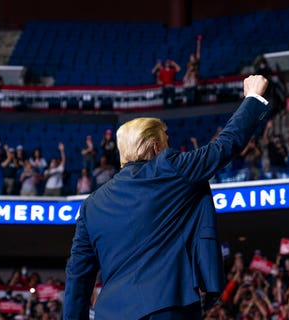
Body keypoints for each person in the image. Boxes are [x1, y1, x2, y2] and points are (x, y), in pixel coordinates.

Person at [64, 75, 270, 320]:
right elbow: (223, 147)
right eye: (165, 143)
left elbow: (77, 278)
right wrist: (253, 98)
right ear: (154, 148)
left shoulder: (91, 206)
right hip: (167, 307)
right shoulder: (169, 168)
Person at [183, 35, 202, 106]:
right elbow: (188, 71)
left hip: (193, 77)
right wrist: (186, 77)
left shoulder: (196, 62)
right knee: (187, 88)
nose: (191, 57)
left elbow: (198, 51)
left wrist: (198, 42)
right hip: (189, 78)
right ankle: (189, 101)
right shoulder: (189, 64)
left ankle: (193, 101)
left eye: (192, 56)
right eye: (190, 56)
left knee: (192, 89)